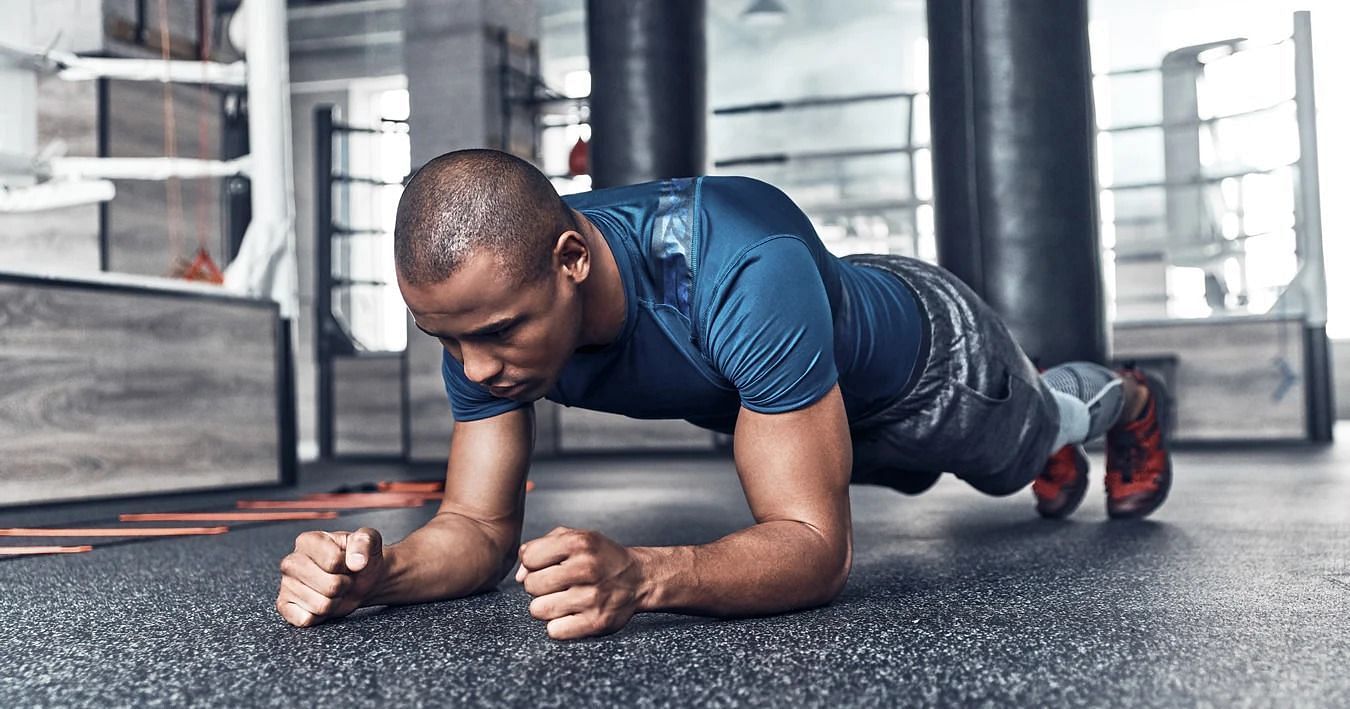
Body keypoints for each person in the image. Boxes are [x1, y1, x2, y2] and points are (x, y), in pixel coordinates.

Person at [275, 149, 1173, 640]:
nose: (473, 369)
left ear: (572, 263)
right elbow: (475, 527)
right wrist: (380, 576)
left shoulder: (733, 266)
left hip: (935, 369)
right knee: (897, 472)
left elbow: (815, 550)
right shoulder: (489, 312)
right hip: (805, 390)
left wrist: (646, 574)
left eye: (498, 332)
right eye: (446, 339)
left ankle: (1123, 397)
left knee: (1027, 445)